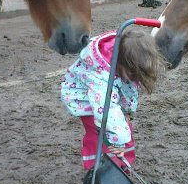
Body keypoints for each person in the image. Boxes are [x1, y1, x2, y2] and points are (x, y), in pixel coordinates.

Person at [61, 28, 164, 172]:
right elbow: (106, 109)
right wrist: (118, 138)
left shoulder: (126, 61)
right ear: (120, 62)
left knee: (123, 132)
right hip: (87, 100)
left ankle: (122, 173)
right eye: (132, 74)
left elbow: (129, 88)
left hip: (106, 99)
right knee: (102, 139)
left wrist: (127, 111)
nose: (133, 79)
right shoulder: (100, 77)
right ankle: (99, 174)